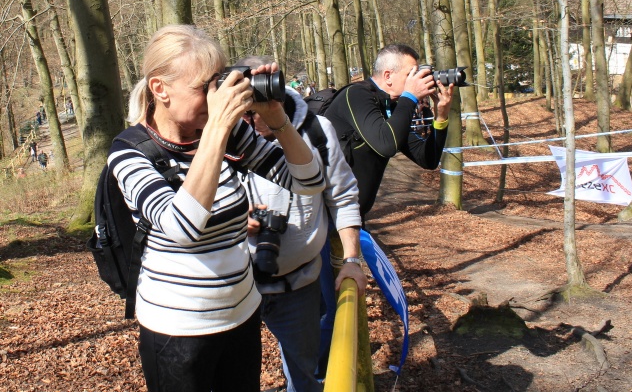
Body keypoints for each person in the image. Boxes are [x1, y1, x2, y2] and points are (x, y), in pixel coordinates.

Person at [108, 25, 325, 392]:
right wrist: (218, 128)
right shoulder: (129, 153)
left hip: (241, 314)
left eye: (217, 85)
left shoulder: (229, 135)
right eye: (201, 89)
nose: (214, 100)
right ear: (160, 89)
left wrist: (276, 118)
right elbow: (184, 227)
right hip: (177, 330)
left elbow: (310, 180)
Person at [237, 56, 367, 392]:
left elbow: (343, 197)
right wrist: (236, 219)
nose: (262, 112)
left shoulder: (316, 131)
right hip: (233, 286)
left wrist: (351, 260)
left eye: (269, 97)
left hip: (300, 284)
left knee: (304, 373)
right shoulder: (219, 138)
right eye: (252, 104)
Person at [323, 43, 454, 222]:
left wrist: (441, 116)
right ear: (388, 76)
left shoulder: (392, 107)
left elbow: (428, 159)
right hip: (326, 217)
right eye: (410, 75)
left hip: (352, 218)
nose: (416, 80)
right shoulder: (356, 95)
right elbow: (386, 145)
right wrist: (410, 96)